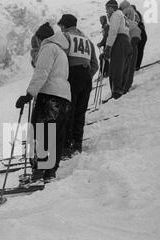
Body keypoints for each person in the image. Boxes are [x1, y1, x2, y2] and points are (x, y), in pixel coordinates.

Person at [16, 22, 71, 183]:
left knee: (39, 133)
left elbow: (41, 72)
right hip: (64, 98)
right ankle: (50, 172)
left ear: (41, 39)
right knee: (55, 135)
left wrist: (29, 94)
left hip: (49, 96)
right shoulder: (61, 51)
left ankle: (39, 171)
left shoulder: (48, 48)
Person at [58, 14, 98, 156]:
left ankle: (66, 146)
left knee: (68, 112)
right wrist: (87, 75)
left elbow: (60, 60)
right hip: (86, 77)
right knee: (80, 113)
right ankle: (77, 144)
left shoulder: (66, 38)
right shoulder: (86, 40)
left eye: (60, 26)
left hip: (72, 77)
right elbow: (95, 64)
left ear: (64, 25)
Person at [103, 0, 132, 101]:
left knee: (116, 67)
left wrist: (108, 47)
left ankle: (116, 92)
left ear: (111, 8)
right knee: (123, 67)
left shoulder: (115, 15)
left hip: (119, 41)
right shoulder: (123, 15)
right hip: (126, 41)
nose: (107, 11)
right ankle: (121, 89)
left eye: (107, 9)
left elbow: (113, 31)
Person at [120, 1, 142, 93]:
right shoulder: (134, 12)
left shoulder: (127, 11)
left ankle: (124, 87)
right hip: (135, 36)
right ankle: (126, 86)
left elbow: (125, 22)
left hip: (130, 38)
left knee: (126, 66)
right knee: (130, 66)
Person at [131, 4, 148, 70]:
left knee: (139, 50)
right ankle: (136, 65)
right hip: (140, 36)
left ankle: (137, 65)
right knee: (137, 50)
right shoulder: (137, 15)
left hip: (141, 36)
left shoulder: (136, 15)